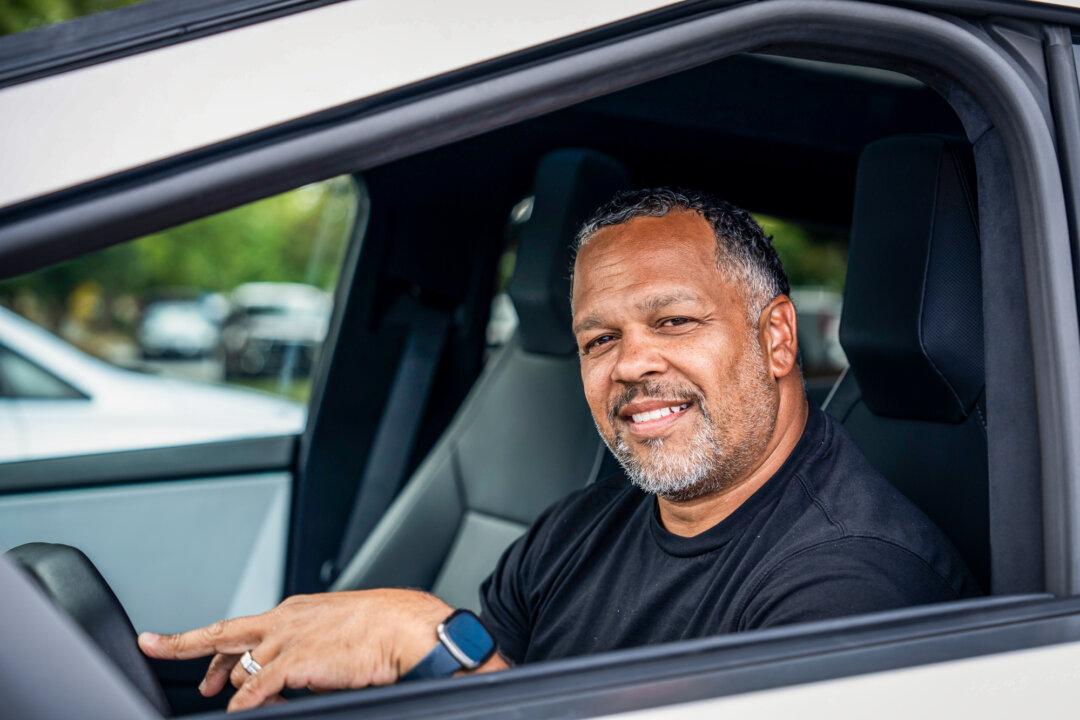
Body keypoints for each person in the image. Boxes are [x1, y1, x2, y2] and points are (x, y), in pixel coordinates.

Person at [139, 188, 978, 712]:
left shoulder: (856, 583)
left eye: (674, 322)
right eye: (597, 339)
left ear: (778, 338)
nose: (632, 365)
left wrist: (433, 644)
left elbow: (466, 675)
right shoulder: (581, 528)